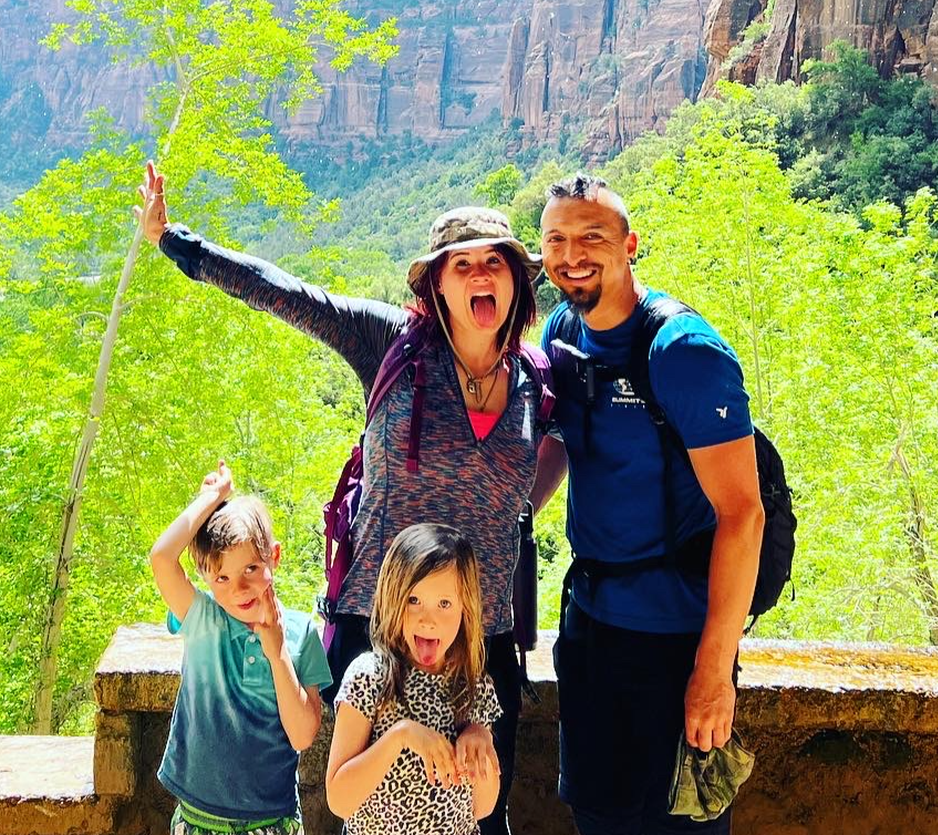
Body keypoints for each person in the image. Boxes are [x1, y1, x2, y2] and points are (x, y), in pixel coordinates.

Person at [137, 161, 548, 835]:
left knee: (477, 810)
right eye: (462, 264)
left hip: (477, 636)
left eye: (494, 262)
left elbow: (569, 452)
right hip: (377, 626)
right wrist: (173, 241)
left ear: (516, 280)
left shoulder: (535, 376)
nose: (480, 275)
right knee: (368, 808)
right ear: (437, 284)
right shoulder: (391, 345)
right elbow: (281, 292)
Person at [530, 173, 765, 835]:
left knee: (679, 825)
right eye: (556, 240)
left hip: (674, 639)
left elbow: (743, 514)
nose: (572, 255)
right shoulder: (562, 329)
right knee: (597, 816)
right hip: (590, 625)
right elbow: (561, 440)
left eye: (592, 237)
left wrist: (714, 671)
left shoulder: (682, 351)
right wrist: (512, 516)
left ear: (630, 245)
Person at [150, 459, 332, 835]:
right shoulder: (202, 618)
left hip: (271, 821)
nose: (239, 589)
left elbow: (302, 736)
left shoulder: (300, 634)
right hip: (196, 819)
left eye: (250, 569)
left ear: (274, 557)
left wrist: (277, 653)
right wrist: (212, 498)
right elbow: (162, 557)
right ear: (205, 575)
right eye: (222, 577)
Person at [325, 523, 501, 835]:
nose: (428, 619)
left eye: (444, 604)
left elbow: (482, 808)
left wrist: (481, 747)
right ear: (392, 598)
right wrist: (400, 736)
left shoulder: (475, 686)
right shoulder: (369, 677)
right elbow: (339, 800)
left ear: (466, 608)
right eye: (414, 600)